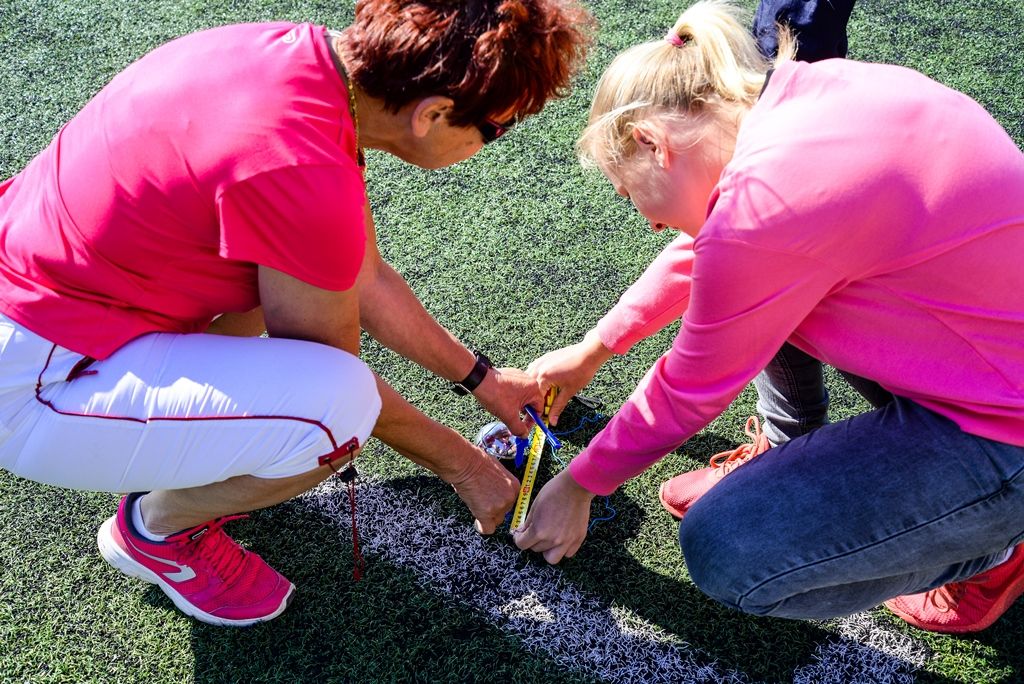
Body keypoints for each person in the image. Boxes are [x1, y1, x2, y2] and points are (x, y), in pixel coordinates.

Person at [0, 0, 592, 626]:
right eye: (496, 130)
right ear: (432, 114)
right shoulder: (303, 170)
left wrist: (484, 380)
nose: (488, 145)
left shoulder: (296, 61)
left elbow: (365, 278)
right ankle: (156, 529)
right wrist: (466, 466)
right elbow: (336, 379)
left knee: (269, 291)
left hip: (57, 311)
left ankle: (171, 450)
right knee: (335, 413)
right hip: (30, 384)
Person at [514, 0, 1024, 635]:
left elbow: (688, 388)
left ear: (652, 143)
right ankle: (791, 450)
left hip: (1005, 429)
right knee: (776, 299)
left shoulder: (763, 215)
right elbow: (714, 253)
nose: (648, 222)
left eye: (629, 192)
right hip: (986, 360)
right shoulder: (807, 97)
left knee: (727, 552)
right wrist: (596, 348)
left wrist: (578, 485)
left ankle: (994, 550)